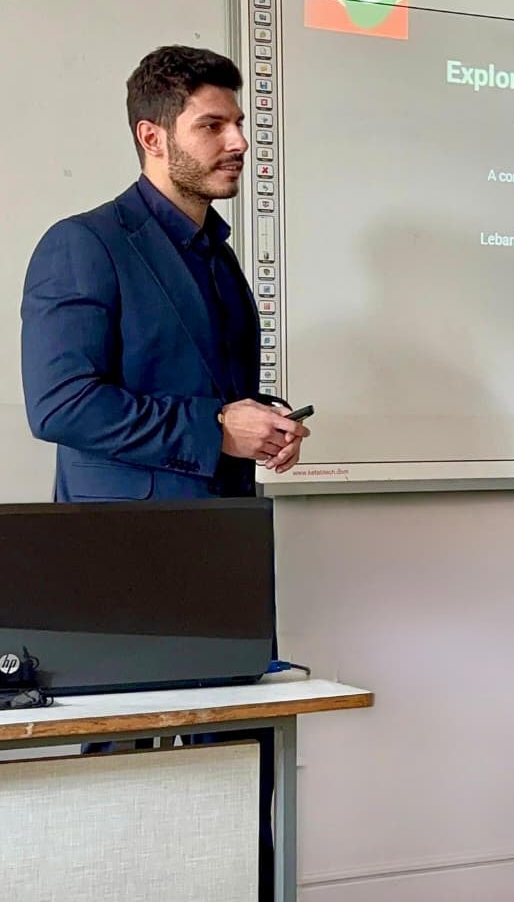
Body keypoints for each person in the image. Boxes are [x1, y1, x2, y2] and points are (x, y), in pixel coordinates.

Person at [20, 44, 308, 901]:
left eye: (238, 124)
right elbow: (61, 405)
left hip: (222, 557)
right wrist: (215, 429)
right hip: (123, 573)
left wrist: (264, 423)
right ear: (153, 136)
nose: (238, 142)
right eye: (212, 126)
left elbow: (206, 392)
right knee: (122, 797)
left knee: (239, 782)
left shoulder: (218, 255)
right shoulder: (83, 245)